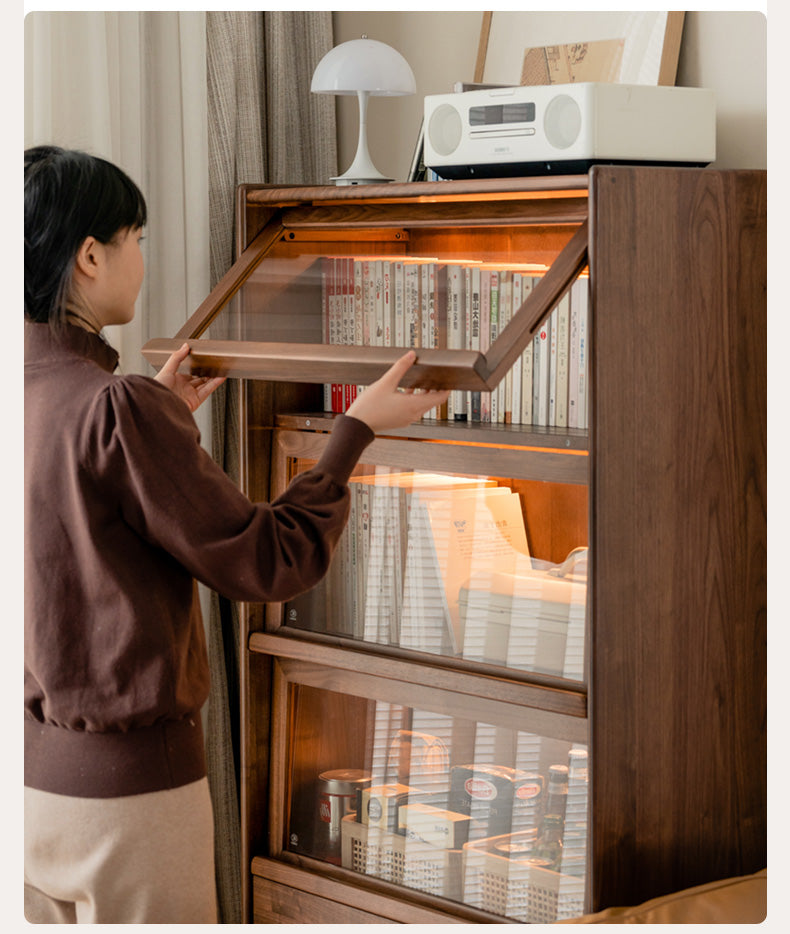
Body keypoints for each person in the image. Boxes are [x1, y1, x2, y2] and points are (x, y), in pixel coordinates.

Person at [23, 145, 449, 924]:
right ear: (90, 255)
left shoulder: (52, 399)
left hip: (31, 794)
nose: (141, 257)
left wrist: (159, 415)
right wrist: (354, 429)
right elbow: (269, 559)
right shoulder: (117, 410)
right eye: (136, 238)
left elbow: (74, 508)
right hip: (129, 802)